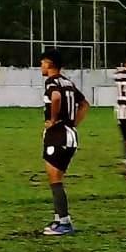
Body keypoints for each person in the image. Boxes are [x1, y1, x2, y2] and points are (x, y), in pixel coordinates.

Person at [40, 50, 89, 236]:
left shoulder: (52, 82)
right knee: (56, 178)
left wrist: (53, 120)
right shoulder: (68, 83)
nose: (41, 66)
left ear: (50, 64)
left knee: (55, 179)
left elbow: (56, 98)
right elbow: (85, 104)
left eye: (43, 63)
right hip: (70, 135)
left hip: (58, 135)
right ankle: (59, 219)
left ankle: (64, 222)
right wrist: (73, 123)